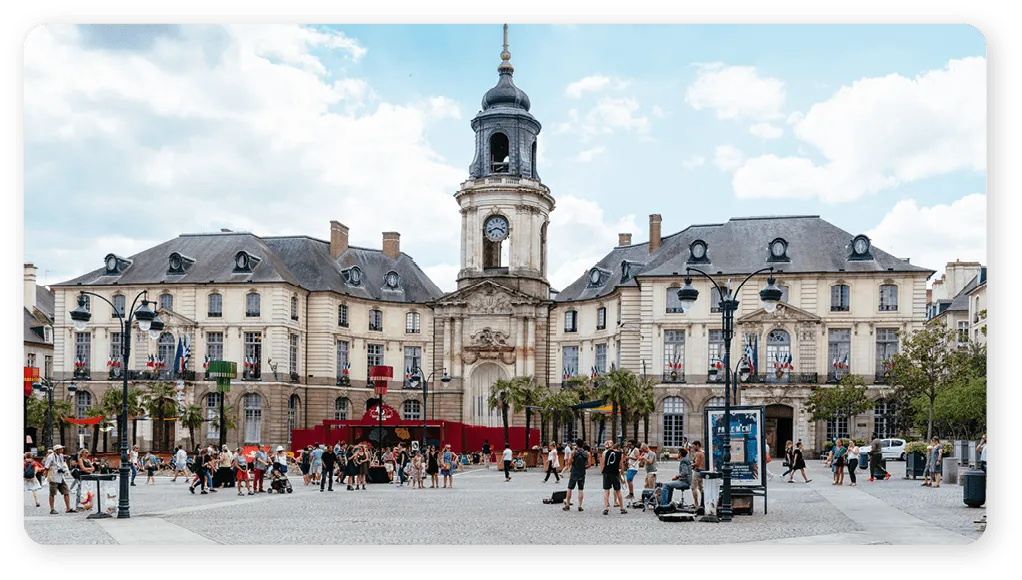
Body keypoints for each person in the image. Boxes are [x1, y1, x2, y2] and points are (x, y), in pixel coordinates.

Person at [561, 438, 591, 512]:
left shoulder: (573, 452)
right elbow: (589, 464)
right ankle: (580, 506)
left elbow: (569, 462)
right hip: (582, 473)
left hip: (574, 472)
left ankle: (567, 505)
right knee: (580, 489)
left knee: (570, 488)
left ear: (576, 444)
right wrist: (584, 468)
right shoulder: (587, 453)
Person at [44, 444, 73, 514]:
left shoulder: (61, 455)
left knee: (66, 492)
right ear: (56, 450)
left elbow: (63, 464)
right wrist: (46, 475)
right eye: (60, 449)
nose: (62, 450)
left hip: (61, 476)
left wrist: (65, 471)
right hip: (53, 477)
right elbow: (46, 467)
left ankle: (68, 508)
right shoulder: (50, 457)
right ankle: (52, 509)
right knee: (52, 493)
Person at [601, 441, 627, 516]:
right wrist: (622, 475)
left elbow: (604, 462)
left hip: (606, 472)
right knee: (618, 491)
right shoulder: (620, 454)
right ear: (618, 448)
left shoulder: (607, 452)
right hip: (614, 473)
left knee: (606, 490)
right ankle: (622, 508)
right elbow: (620, 465)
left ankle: (606, 508)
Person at [690, 441, 705, 507]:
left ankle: (696, 504)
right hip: (702, 471)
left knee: (693, 488)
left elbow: (697, 464)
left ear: (697, 445)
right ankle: (703, 502)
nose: (693, 448)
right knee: (701, 488)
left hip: (697, 471)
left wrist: (690, 465)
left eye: (694, 446)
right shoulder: (703, 452)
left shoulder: (698, 453)